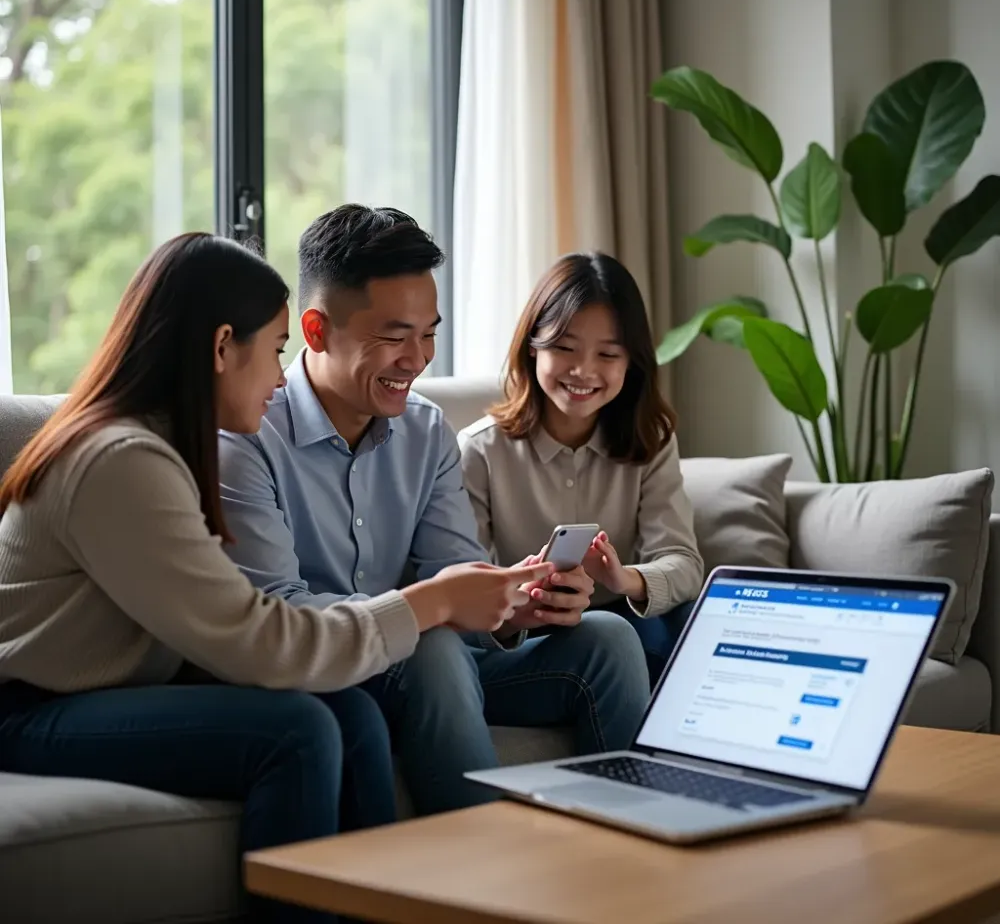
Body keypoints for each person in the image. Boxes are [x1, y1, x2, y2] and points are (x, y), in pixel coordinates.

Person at [0, 232, 549, 924]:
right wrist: (429, 603)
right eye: (277, 350)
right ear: (223, 346)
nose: (281, 377)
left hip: (110, 691)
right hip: (30, 710)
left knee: (345, 712)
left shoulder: (160, 445)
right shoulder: (120, 461)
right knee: (295, 731)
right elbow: (260, 638)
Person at [218, 205, 650, 815]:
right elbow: (279, 614)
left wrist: (515, 601)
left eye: (430, 334)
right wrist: (428, 609)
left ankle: (639, 850)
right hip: (333, 670)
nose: (418, 358)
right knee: (432, 645)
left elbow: (457, 579)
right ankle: (472, 871)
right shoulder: (245, 433)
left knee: (608, 636)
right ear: (315, 332)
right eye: (395, 336)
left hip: (435, 669)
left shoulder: (426, 431)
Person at [459, 252, 705, 687]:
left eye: (608, 354)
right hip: (526, 632)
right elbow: (462, 584)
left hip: (626, 617)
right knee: (618, 637)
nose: (583, 370)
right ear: (531, 347)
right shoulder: (481, 450)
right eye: (564, 348)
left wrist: (623, 578)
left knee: (675, 622)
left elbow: (683, 562)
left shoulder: (651, 441)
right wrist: (524, 596)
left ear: (632, 363)